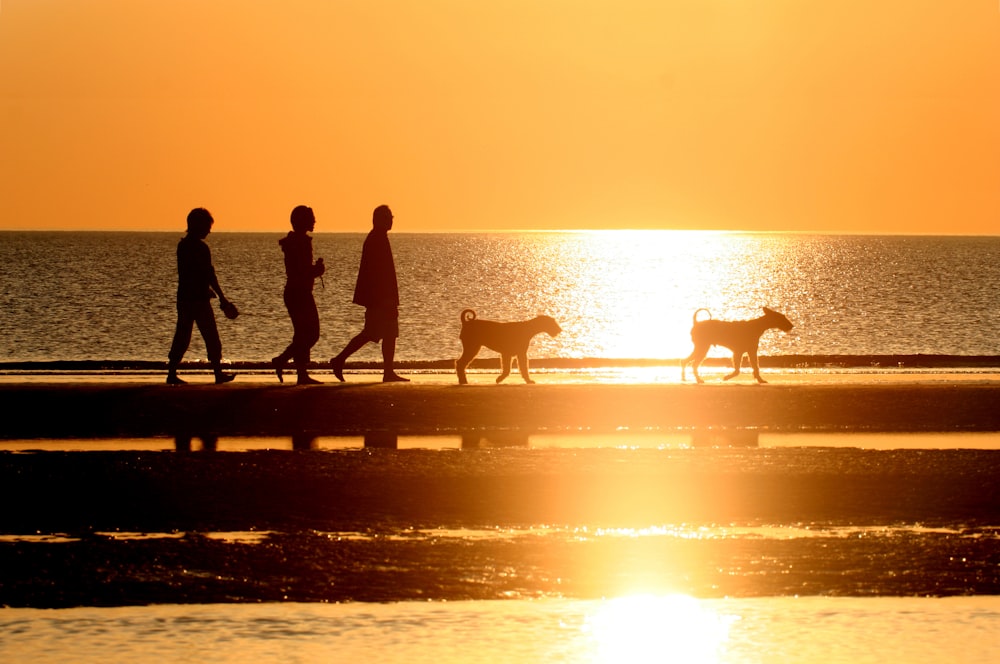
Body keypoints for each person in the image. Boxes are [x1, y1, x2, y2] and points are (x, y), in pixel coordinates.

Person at [330, 204, 409, 382]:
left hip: (382, 297)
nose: (391, 221)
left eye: (391, 217)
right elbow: (377, 273)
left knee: (389, 334)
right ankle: (339, 359)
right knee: (371, 333)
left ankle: (388, 371)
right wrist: (385, 299)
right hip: (380, 298)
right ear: (378, 220)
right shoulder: (376, 239)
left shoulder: (379, 238)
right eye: (387, 218)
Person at [166, 207, 236, 385]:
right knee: (210, 337)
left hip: (186, 298)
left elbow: (192, 274)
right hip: (196, 300)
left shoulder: (183, 246)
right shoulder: (199, 248)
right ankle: (217, 373)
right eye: (207, 226)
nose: (209, 230)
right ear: (197, 225)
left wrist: (211, 292)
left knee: (182, 336)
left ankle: (172, 373)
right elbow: (207, 274)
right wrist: (221, 297)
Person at [272, 205, 325, 385]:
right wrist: (317, 270)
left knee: (303, 333)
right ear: (303, 221)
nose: (314, 221)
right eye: (311, 218)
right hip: (299, 293)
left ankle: (300, 373)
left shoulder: (295, 241)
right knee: (311, 334)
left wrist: (314, 271)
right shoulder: (301, 243)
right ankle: (283, 360)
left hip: (296, 292)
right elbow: (300, 271)